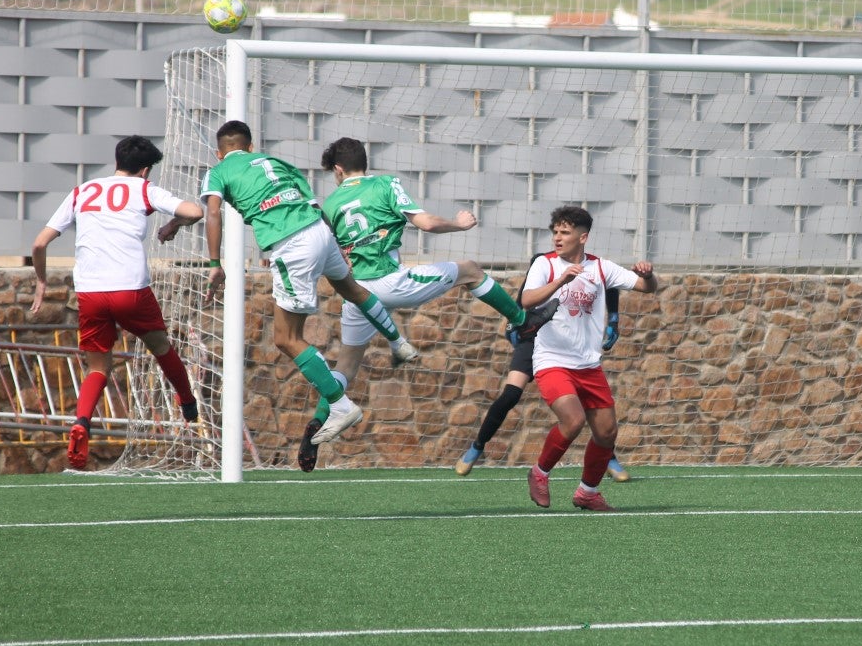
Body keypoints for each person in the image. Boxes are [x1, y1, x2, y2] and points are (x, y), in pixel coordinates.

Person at [296, 137, 559, 470]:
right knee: (471, 271)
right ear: (364, 161)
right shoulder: (385, 185)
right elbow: (427, 224)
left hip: (356, 293)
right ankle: (522, 320)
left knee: (346, 367)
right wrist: (459, 224)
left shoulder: (331, 203)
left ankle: (320, 420)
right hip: (391, 283)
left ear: (337, 170)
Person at [201, 121, 414, 454]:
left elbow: (212, 214)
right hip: (320, 231)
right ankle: (399, 343)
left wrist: (216, 265)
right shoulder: (277, 164)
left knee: (286, 338)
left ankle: (340, 406)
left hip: (293, 244)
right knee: (351, 289)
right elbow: (313, 204)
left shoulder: (218, 171)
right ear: (251, 146)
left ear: (220, 152)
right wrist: (332, 244)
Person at [30, 135, 205, 470]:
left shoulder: (83, 190)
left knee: (97, 367)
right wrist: (173, 223)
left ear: (116, 162)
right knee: (161, 347)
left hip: (91, 293)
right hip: (131, 290)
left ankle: (81, 421)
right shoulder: (143, 189)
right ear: (144, 169)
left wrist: (41, 282)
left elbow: (39, 243)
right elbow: (195, 211)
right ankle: (187, 404)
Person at [522, 206, 658, 512]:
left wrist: (648, 277)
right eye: (555, 231)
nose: (558, 237)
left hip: (588, 365)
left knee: (607, 431)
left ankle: (588, 492)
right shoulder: (545, 265)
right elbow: (526, 299)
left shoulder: (601, 268)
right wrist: (560, 281)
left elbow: (646, 288)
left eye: (565, 232)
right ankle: (539, 473)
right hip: (552, 360)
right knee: (573, 420)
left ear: (583, 237)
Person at [455, 253, 629, 482]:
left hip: (566, 348)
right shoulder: (532, 290)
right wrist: (515, 334)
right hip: (533, 345)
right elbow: (513, 322)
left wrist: (613, 319)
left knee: (586, 405)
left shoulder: (579, 276)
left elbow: (608, 282)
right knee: (510, 395)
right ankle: (477, 446)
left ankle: (609, 457)